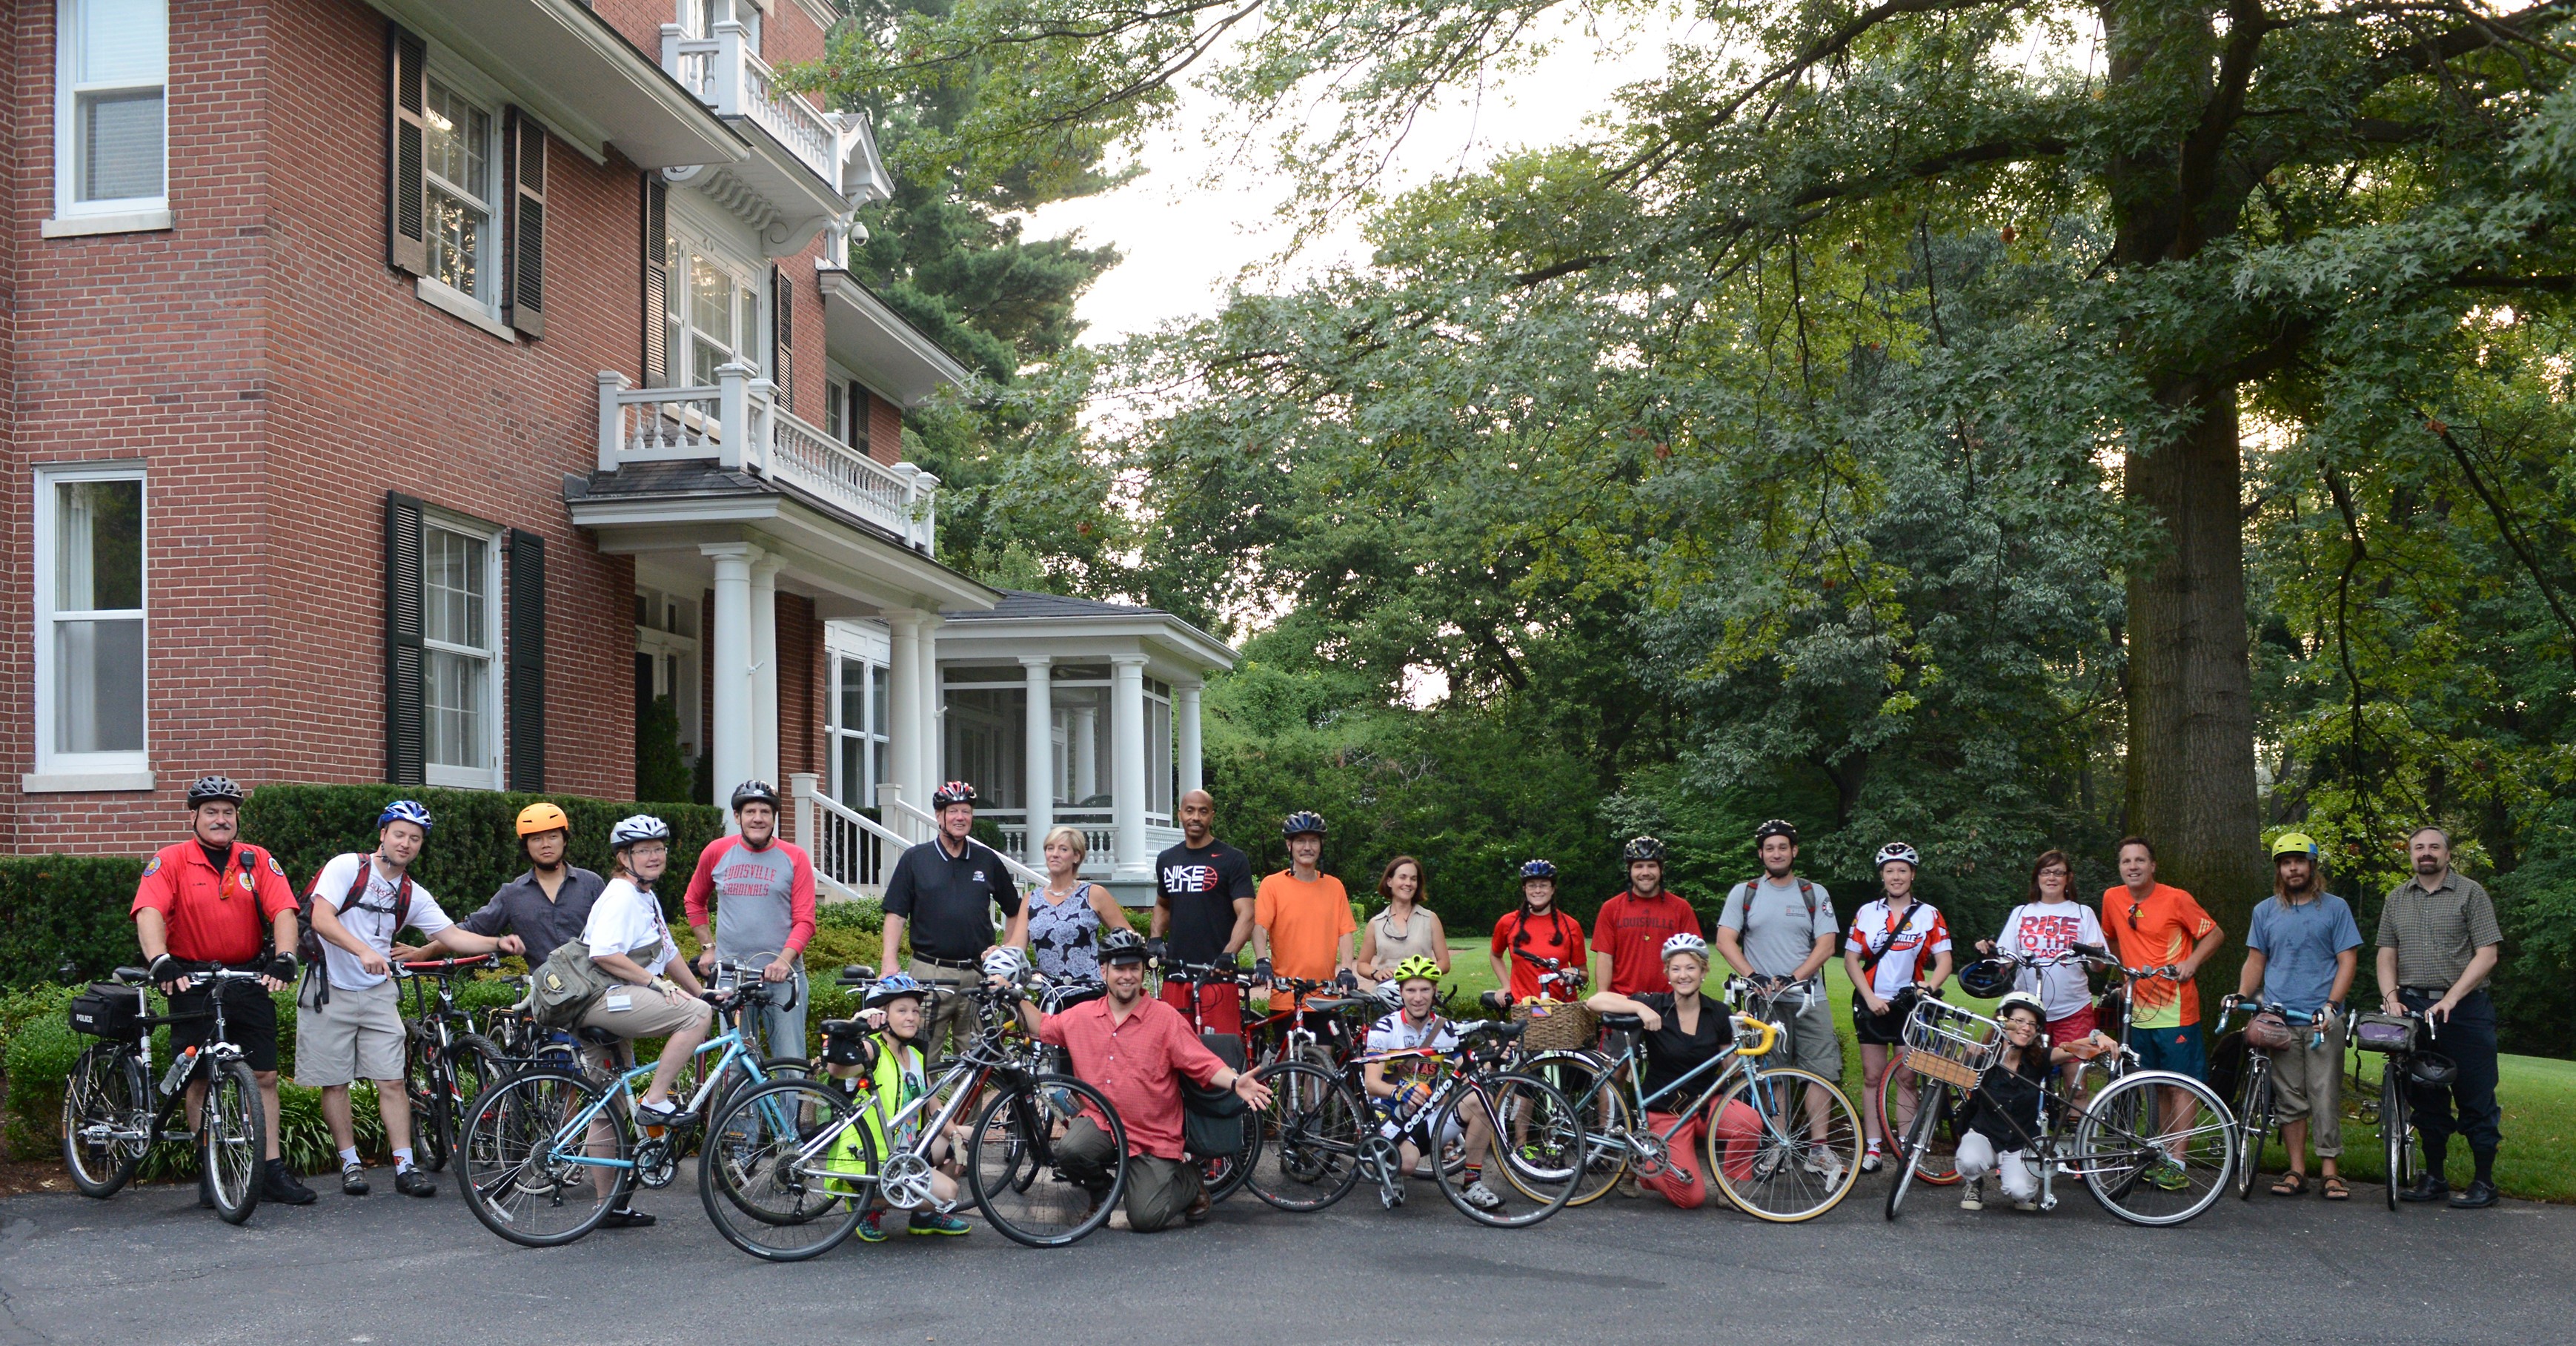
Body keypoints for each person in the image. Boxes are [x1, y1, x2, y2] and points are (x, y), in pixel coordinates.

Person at [128, 775, 314, 1207]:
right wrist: (160, 961)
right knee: (198, 1078)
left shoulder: (256, 860)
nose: (220, 819)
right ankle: (210, 1171)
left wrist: (285, 957)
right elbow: (149, 911)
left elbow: (285, 910)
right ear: (194, 817)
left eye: (228, 812)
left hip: (245, 978)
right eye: (211, 811)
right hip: (190, 979)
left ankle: (270, 1172)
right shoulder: (171, 860)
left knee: (265, 1075)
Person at [1016, 929, 1272, 1232]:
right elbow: (1041, 1027)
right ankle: (1102, 1196)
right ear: (1103, 971)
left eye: (1134, 968)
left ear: (1142, 971)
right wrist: (1012, 993)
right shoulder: (1081, 1016)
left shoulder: (1164, 1018)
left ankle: (1190, 1181)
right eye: (1119, 968)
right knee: (1071, 1151)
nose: (1127, 976)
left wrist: (1235, 1082)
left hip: (1152, 1135)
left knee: (1145, 1219)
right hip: (1103, 1123)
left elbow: (1201, 1062)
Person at [299, 800, 454, 1198]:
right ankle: (350, 1164)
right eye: (399, 834)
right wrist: (363, 950)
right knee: (335, 1082)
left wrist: (497, 941)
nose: (406, 843)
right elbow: (321, 918)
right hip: (329, 987)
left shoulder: (411, 892)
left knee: (391, 1080)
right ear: (383, 834)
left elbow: (452, 935)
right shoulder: (347, 868)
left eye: (415, 838)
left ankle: (405, 1165)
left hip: (377, 992)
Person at [572, 815, 714, 1228]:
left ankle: (608, 1207)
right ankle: (656, 1101)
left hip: (607, 1001)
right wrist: (662, 987)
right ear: (623, 857)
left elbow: (668, 951)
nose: (654, 856)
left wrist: (701, 991)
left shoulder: (644, 896)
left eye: (659, 849)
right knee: (696, 1015)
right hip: (603, 998)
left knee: (607, 1106)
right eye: (643, 850)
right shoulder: (621, 895)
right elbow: (604, 953)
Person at [2377, 826, 2505, 1208]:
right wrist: (2391, 997)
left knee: (2475, 1095)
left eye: (2434, 847)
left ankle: (2484, 1182)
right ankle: (2434, 1178)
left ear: (2448, 855)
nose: (2426, 853)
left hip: (2465, 1012)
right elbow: (2386, 953)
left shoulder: (2471, 893)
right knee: (2426, 1096)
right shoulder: (2397, 899)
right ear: (2411, 855)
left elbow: (2488, 953)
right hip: (2415, 1010)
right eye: (2419, 848)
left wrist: (2451, 998)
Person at [2237, 832, 2362, 1200]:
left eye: (2300, 861)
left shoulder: (2335, 908)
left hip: (2322, 1017)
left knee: (2324, 1094)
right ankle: (2296, 1170)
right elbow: (2256, 960)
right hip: (2279, 1019)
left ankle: (2330, 1170)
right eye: (2286, 862)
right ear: (2279, 869)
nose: (2293, 868)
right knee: (2290, 1097)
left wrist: (2332, 1005)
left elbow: (2347, 960)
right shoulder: (2264, 911)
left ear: (2312, 866)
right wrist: (2241, 996)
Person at [2099, 835, 2224, 1188]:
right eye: (2127, 861)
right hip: (2136, 1009)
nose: (2133, 867)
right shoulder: (2112, 898)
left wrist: (2192, 961)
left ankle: (2178, 1163)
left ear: (2153, 866)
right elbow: (2112, 939)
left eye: (2140, 860)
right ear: (2120, 867)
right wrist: (2124, 973)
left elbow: (2215, 934)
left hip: (2177, 1008)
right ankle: (2159, 1154)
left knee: (2180, 1084)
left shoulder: (2176, 898)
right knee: (2152, 1085)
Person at [1714, 819, 1842, 1155]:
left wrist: (1795, 976)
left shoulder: (1814, 893)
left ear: (1794, 851)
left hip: (1809, 998)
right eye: (1769, 848)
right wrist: (1752, 975)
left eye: (1783, 847)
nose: (1776, 853)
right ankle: (1778, 1144)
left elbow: (1827, 945)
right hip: (1764, 1001)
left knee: (1820, 1072)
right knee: (1772, 1073)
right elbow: (1725, 941)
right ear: (1761, 854)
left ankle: (1818, 1149)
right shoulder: (1745, 892)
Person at [1586, 933, 1739, 1208]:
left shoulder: (1718, 1013)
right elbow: (1595, 1002)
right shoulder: (1655, 1004)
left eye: (1691, 968)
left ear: (1704, 971)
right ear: (1666, 972)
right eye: (1676, 968)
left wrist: (1741, 1038)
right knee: (1691, 1198)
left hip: (1705, 1104)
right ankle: (1641, 1162)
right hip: (1665, 1109)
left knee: (1749, 1122)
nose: (1684, 975)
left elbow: (1731, 1071)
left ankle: (1731, 1190)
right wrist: (1639, 1009)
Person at [880, 781, 1029, 1063]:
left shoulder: (987, 860)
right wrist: (889, 962)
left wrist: (1008, 952)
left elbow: (1015, 910)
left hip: (977, 974)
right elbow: (896, 914)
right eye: (952, 811)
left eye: (966, 811)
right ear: (939, 817)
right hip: (929, 973)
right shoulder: (916, 859)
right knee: (920, 1056)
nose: (960, 817)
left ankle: (968, 1110)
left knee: (976, 1060)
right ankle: (929, 1109)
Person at [820, 973, 971, 1241]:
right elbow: (836, 1068)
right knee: (948, 1193)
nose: (911, 1017)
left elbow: (934, 1109)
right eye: (902, 1011)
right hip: (870, 1159)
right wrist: (856, 1025)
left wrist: (957, 1138)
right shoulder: (871, 1048)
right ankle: (866, 1204)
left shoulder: (915, 1055)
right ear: (883, 1015)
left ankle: (924, 1217)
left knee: (968, 1137)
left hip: (903, 1149)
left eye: (915, 1010)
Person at [683, 780, 819, 1061]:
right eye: (750, 812)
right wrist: (709, 948)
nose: (758, 818)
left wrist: (783, 961)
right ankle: (743, 1108)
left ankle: (791, 1107)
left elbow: (805, 920)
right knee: (737, 1065)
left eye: (765, 812)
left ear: (774, 818)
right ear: (737, 817)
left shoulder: (795, 857)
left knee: (790, 1063)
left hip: (783, 978)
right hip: (732, 977)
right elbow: (694, 900)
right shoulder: (717, 852)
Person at [1361, 955, 1506, 1210]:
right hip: (1391, 1115)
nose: (1418, 997)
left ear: (1435, 991)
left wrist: (1495, 1060)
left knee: (1480, 1099)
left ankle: (1472, 1184)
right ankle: (1389, 1165)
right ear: (1401, 993)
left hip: (1428, 1116)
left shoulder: (1446, 1030)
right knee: (1405, 1165)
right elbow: (1371, 1084)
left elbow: (1471, 1072)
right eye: (1412, 990)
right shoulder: (1384, 1028)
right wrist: (1401, 1092)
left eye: (1425, 989)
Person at [1844, 842, 1952, 1175]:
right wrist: (1870, 997)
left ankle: (1905, 1145)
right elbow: (1851, 959)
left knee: (1907, 1077)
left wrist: (1929, 988)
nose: (1896, 876)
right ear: (1882, 875)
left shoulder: (1929, 914)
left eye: (1902, 870)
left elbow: (1945, 960)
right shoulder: (1867, 912)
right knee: (1873, 1077)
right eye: (1889, 870)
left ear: (1913, 874)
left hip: (1909, 1006)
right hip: (1871, 1001)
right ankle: (1873, 1147)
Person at [1953, 992, 2117, 1211]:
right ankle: (1974, 1182)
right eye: (2019, 1021)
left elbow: (2069, 1048)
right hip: (1985, 1134)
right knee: (1969, 1160)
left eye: (2032, 1024)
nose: (2026, 1027)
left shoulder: (2038, 1059)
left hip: (2022, 1143)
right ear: (2003, 1021)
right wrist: (1966, 1056)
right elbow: (1951, 1073)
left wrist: (2098, 1037)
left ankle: (2018, 1177)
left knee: (2022, 1194)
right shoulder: (1985, 1058)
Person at [405, 801, 594, 970]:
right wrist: (425, 952)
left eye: (553, 836)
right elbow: (469, 930)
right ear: (526, 846)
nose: (545, 844)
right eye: (536, 839)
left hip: (597, 986)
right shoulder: (512, 894)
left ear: (565, 840)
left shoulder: (591, 884)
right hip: (548, 995)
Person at [1979, 849, 2108, 1088]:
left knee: (2076, 1087)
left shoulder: (2082, 913)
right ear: (2037, 877)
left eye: (2058, 872)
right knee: (2014, 1078)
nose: (2052, 878)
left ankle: (2074, 1125)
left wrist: (2095, 952)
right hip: (2027, 1011)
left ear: (2068, 878)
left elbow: (2098, 967)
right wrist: (1991, 952)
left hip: (2073, 1010)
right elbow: (2006, 960)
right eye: (2046, 872)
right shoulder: (2022, 912)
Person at [1150, 787, 1256, 1035]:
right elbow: (1163, 903)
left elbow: (1247, 914)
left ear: (1212, 816)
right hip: (1175, 973)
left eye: (1203, 811)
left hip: (1216, 975)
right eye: (1190, 811)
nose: (1195, 817)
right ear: (1180, 815)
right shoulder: (1167, 859)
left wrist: (1229, 955)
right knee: (1174, 1050)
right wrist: (1155, 939)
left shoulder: (1232, 859)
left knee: (1218, 1054)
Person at [1252, 812, 1358, 1004]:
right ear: (1289, 845)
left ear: (1321, 845)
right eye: (1300, 841)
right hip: (1286, 997)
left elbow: (1345, 933)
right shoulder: (1272, 885)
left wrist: (1347, 969)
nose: (1307, 847)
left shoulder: (1335, 887)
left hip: (1326, 995)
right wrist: (1262, 960)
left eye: (1313, 841)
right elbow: (1259, 926)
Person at [1591, 836, 1704, 997]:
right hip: (1623, 1001)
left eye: (1652, 866)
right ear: (1629, 870)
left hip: (1670, 1001)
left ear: (1661, 870)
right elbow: (1605, 958)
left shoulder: (1681, 908)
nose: (1645, 873)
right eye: (1639, 866)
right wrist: (1603, 996)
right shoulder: (1611, 908)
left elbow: (1695, 957)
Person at [1026, 825, 1132, 981]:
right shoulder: (1031, 899)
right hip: (1050, 995)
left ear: (1076, 856)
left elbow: (1130, 940)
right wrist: (999, 952)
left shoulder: (1094, 894)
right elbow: (1016, 947)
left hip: (1090, 991)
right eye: (1050, 848)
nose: (1055, 854)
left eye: (1063, 849)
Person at [1488, 861, 1592, 1002]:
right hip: (1524, 1005)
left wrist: (1575, 973)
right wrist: (1507, 985)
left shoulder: (1570, 925)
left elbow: (1584, 975)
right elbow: (1495, 954)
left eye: (1543, 885)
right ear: (1524, 889)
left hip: (1563, 1007)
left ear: (1553, 889)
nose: (1537, 890)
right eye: (1532, 886)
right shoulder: (1508, 922)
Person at [1355, 855, 1447, 986]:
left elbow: (1444, 962)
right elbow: (1362, 964)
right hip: (1386, 996)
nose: (1408, 883)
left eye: (1413, 879)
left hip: (1420, 996)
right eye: (1402, 877)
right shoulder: (1376, 923)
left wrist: (1424, 974)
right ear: (1389, 881)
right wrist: (1376, 973)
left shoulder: (1430, 919)